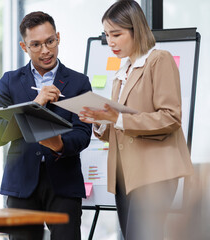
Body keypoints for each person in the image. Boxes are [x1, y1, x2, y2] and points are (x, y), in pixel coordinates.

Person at [78, 1, 193, 239]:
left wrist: (117, 117)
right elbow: (120, 127)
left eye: (117, 34)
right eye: (107, 35)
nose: (111, 42)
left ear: (136, 30)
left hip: (153, 174)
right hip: (125, 175)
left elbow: (170, 117)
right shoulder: (123, 72)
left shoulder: (159, 60)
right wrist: (98, 121)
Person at [0, 11, 92, 240]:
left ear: (58, 37)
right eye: (35, 45)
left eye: (50, 41)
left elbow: (83, 134)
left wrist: (59, 145)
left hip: (64, 183)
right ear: (24, 47)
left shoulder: (79, 83)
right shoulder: (9, 81)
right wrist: (35, 104)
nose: (45, 50)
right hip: (21, 183)